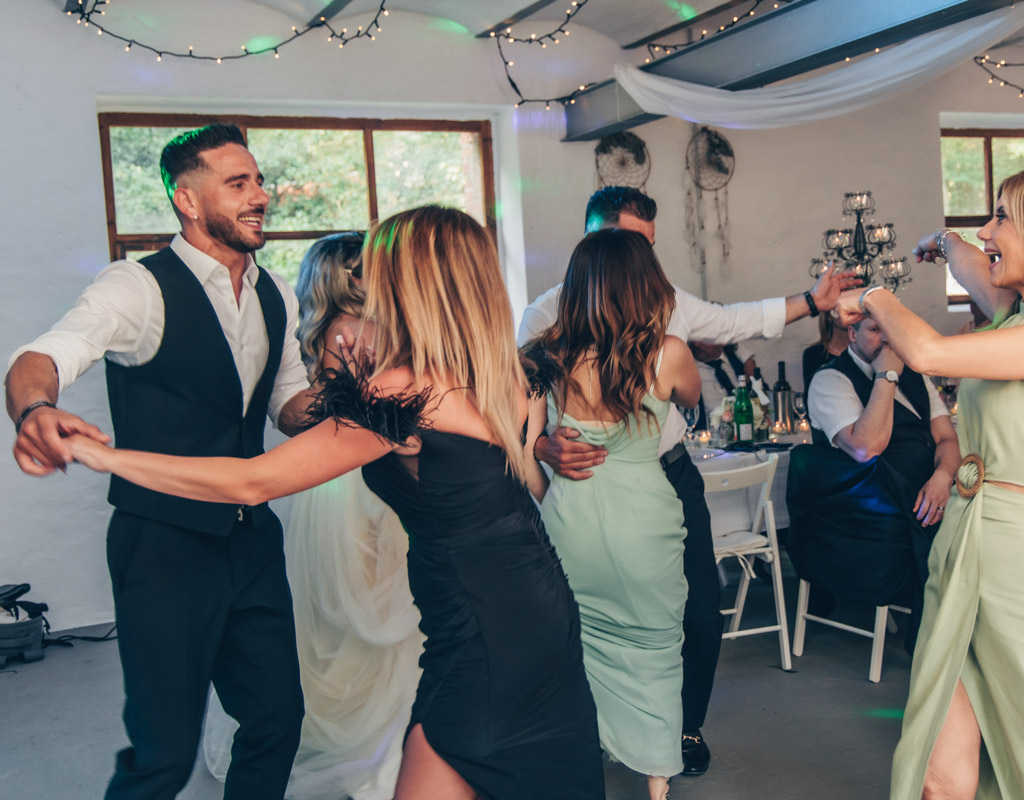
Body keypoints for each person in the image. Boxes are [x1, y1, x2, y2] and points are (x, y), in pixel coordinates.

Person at [65, 206, 605, 800]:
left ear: (412, 283)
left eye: (378, 270)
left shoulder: (406, 391)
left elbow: (253, 482)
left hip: (481, 627)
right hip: (536, 607)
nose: (367, 284)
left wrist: (107, 457)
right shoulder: (502, 373)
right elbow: (510, 476)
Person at [6, 124, 311, 799]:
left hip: (253, 541)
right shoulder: (136, 286)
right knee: (164, 756)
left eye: (259, 181)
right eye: (238, 183)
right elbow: (43, 355)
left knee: (276, 721)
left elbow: (288, 405)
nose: (261, 196)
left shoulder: (277, 293)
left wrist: (351, 393)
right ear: (188, 200)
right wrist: (35, 411)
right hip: (164, 547)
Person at [517, 185, 854, 775]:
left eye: (651, 244)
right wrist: (543, 447)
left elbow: (733, 319)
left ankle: (682, 727)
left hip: (669, 474)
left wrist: (812, 301)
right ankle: (596, 731)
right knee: (586, 614)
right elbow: (522, 413)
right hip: (588, 487)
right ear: (596, 237)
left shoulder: (665, 300)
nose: (647, 259)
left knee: (698, 609)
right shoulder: (546, 315)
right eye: (634, 242)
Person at [839, 168, 1024, 799]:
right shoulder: (1013, 314)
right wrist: (942, 242)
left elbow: (929, 354)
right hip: (964, 554)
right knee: (938, 778)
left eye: (1001, 217)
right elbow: (971, 263)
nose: (987, 232)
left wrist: (875, 296)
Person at [202, 233, 425, 800]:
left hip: (333, 479)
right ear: (345, 277)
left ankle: (373, 717)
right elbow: (357, 410)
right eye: (366, 267)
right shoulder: (355, 330)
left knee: (347, 602)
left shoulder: (330, 329)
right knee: (381, 593)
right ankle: (384, 726)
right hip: (358, 477)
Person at [529, 229, 701, 800]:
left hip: (570, 520)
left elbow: (523, 449)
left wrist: (549, 482)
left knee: (576, 645)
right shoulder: (668, 354)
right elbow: (691, 397)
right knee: (656, 647)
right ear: (645, 284)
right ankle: (657, 782)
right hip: (643, 524)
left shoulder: (547, 357)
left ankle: (585, 758)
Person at [797, 316, 959, 643]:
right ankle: (941, 640)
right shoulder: (830, 380)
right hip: (875, 509)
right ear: (852, 333)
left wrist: (943, 477)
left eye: (891, 330)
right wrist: (886, 375)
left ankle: (971, 630)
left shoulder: (915, 375)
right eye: (875, 330)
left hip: (933, 487)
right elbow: (866, 448)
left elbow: (947, 438)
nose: (886, 339)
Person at [687, 341, 755, 428]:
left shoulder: (739, 362)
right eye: (693, 339)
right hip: (707, 432)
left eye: (703, 339)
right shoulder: (684, 367)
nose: (696, 344)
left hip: (745, 429)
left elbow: (761, 396)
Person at [801, 308, 849, 396]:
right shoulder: (813, 354)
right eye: (838, 309)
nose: (845, 314)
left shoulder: (863, 352)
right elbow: (811, 393)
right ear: (828, 316)